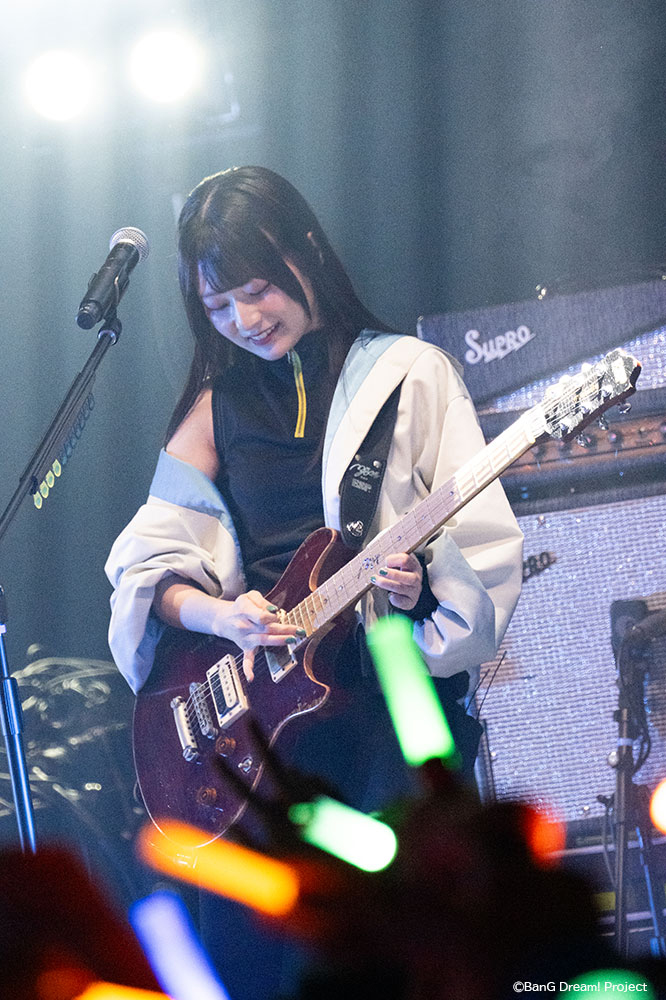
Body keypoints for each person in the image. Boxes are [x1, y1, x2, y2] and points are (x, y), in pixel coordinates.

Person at [105, 165, 524, 998]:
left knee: (397, 949)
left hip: (386, 702)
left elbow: (479, 553)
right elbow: (146, 568)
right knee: (256, 956)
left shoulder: (409, 375)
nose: (245, 320)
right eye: (219, 306)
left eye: (257, 290)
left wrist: (418, 588)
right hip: (258, 720)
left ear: (305, 252)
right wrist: (222, 616)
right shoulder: (214, 407)